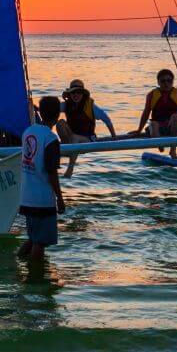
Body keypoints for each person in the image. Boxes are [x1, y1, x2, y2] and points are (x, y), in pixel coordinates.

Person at [18, 94, 66, 262]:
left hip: (26, 196)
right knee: (40, 242)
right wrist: (59, 198)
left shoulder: (28, 132)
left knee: (33, 237)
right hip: (42, 199)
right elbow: (51, 171)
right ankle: (35, 277)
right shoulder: (51, 139)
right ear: (57, 115)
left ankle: (17, 260)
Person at [59, 80, 113, 177]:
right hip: (71, 137)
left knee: (75, 138)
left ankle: (70, 169)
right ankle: (66, 148)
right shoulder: (66, 104)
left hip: (88, 139)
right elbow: (51, 111)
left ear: (83, 94)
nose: (76, 95)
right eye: (73, 92)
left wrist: (114, 137)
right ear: (70, 94)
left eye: (78, 92)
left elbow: (106, 119)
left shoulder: (90, 106)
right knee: (60, 123)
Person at [137, 69, 177, 139]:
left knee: (176, 117)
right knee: (153, 124)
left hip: (172, 126)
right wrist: (139, 130)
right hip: (157, 126)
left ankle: (173, 148)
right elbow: (146, 113)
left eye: (169, 81)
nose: (166, 83)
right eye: (163, 81)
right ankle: (160, 146)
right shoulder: (152, 95)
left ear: (172, 82)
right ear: (158, 82)